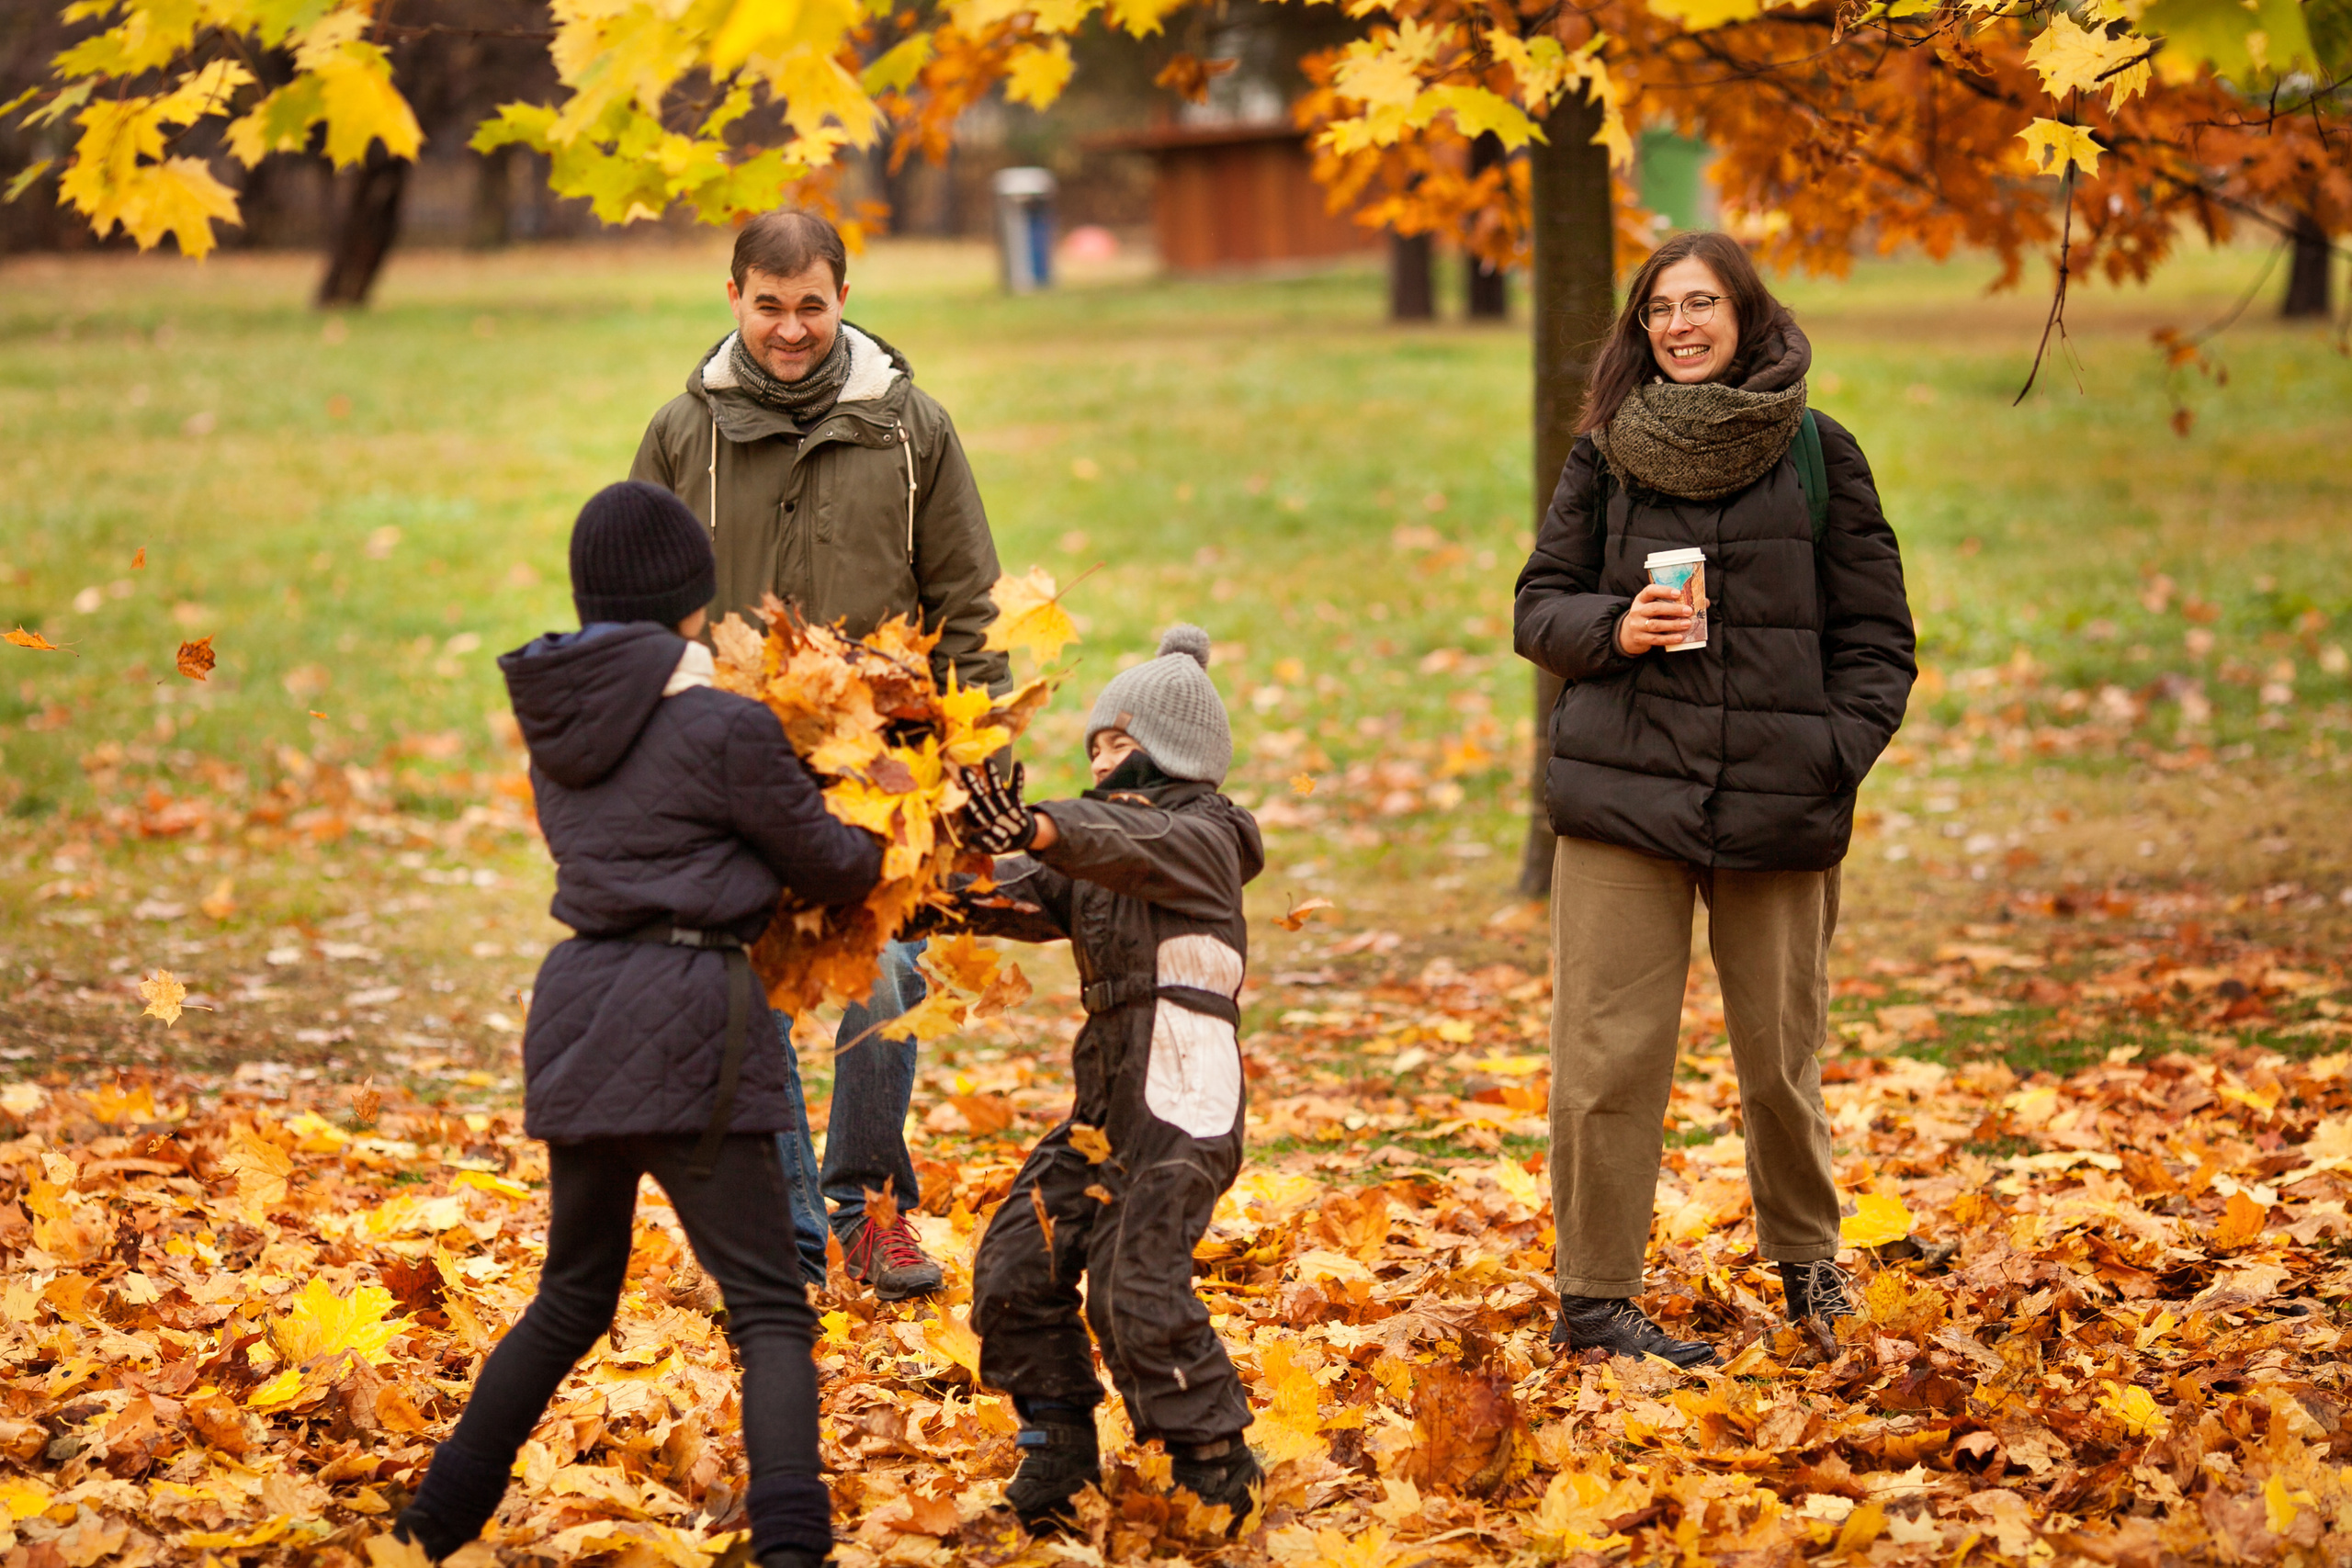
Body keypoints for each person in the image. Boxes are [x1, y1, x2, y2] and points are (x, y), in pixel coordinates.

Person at [390, 481, 881, 1568]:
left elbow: (658, 837)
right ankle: (794, 1549)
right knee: (768, 1309)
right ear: (691, 605)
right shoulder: (722, 724)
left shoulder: (559, 726)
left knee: (569, 1297)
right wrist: (871, 787)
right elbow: (839, 862)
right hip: (697, 1020)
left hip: (580, 1013)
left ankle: (430, 1528)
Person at [1512, 231, 1917, 1368]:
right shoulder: (1606, 456)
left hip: (1775, 809)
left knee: (1781, 1062)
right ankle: (1594, 1304)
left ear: (1745, 317)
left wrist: (1829, 755)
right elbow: (1536, 606)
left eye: (1699, 305)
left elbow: (1880, 641)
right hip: (1624, 805)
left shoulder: (1817, 455)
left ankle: (1808, 1267)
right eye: (1657, 311)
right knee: (1603, 1059)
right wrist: (1612, 629)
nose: (1678, 327)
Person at [629, 209, 1009, 1300]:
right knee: (749, 988)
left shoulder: (909, 427)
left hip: (877, 766)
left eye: (810, 305)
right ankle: (790, 1231)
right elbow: (643, 606)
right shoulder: (680, 434)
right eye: (768, 304)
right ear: (734, 297)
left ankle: (867, 1208)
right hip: (730, 757)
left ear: (842, 296)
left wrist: (972, 747)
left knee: (885, 975)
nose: (789, 329)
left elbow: (968, 602)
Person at [946, 626, 1266, 1535]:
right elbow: (1012, 888)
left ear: (1170, 754)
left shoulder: (1207, 838)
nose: (1098, 760)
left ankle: (1214, 1458)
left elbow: (1120, 835)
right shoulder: (1093, 855)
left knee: (1135, 1282)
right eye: (1091, 746)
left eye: (1115, 744)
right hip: (1104, 1109)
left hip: (1182, 1103)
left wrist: (1045, 824)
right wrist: (919, 888)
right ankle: (1057, 1442)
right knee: (1016, 1259)